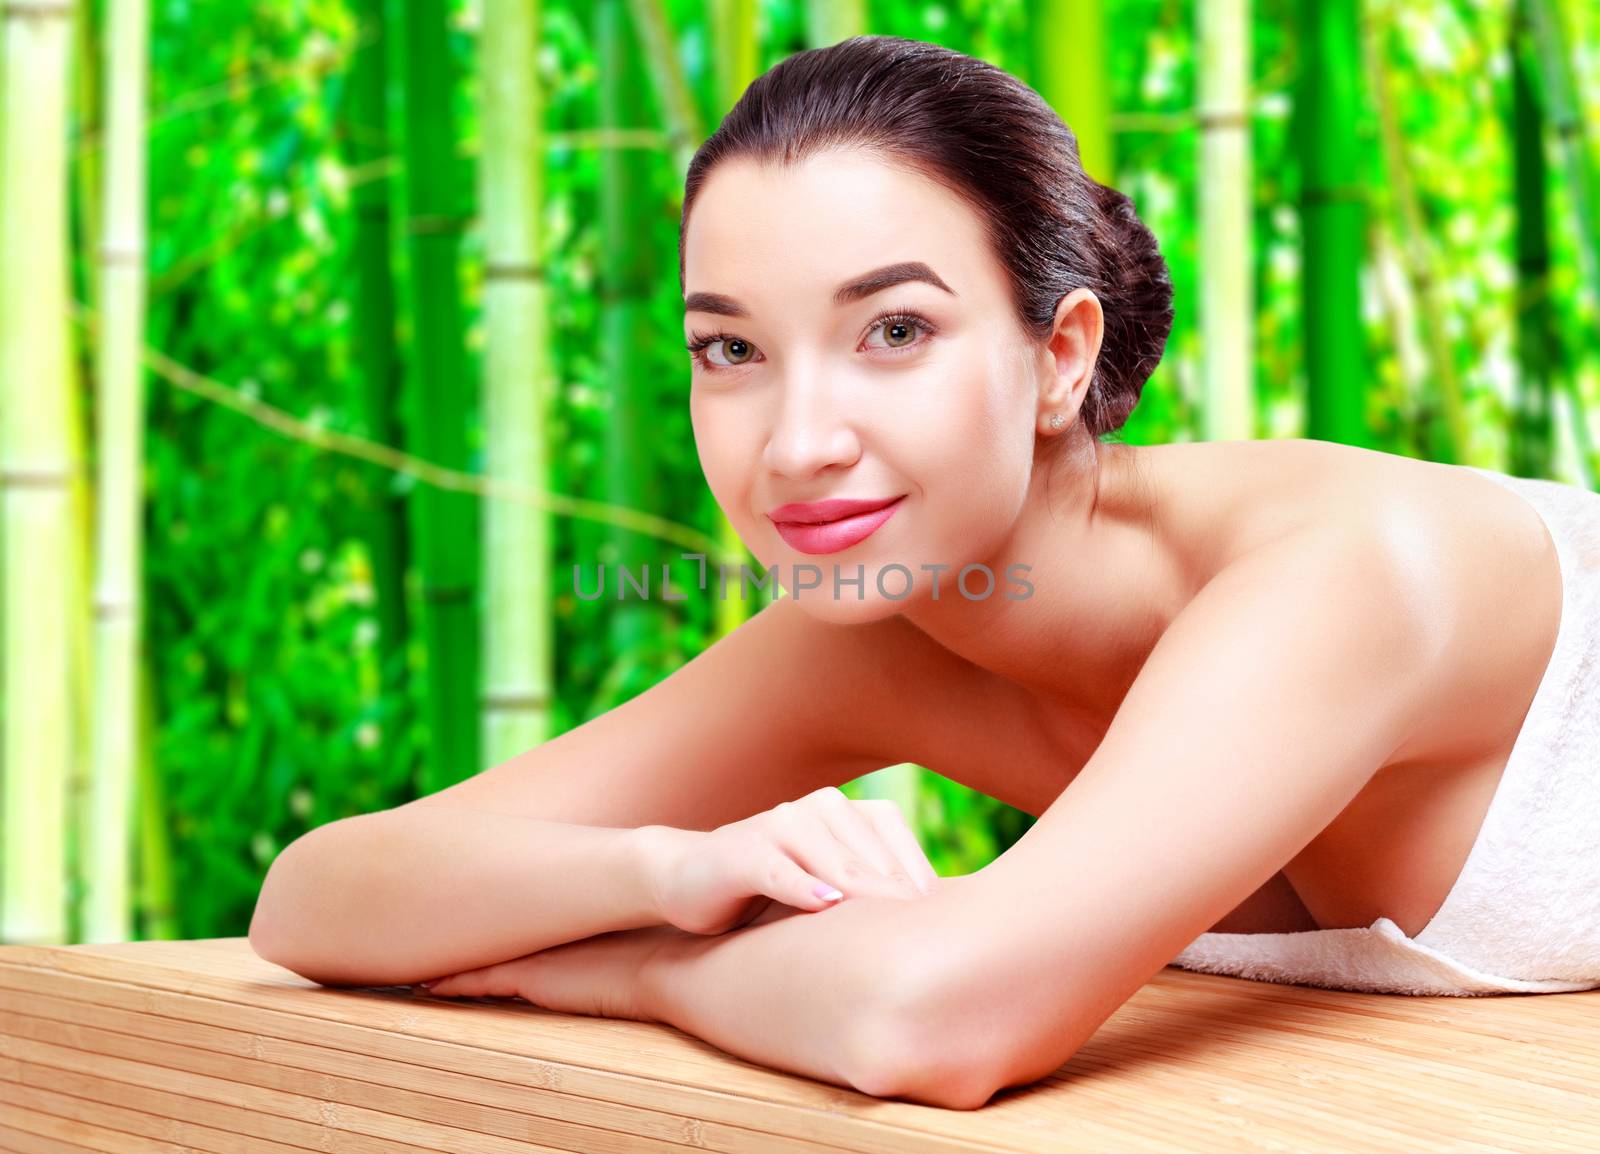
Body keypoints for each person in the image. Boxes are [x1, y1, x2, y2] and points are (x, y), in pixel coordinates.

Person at [249, 34, 1600, 1110]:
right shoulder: (873, 623)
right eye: (731, 349)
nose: (798, 443)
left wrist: (642, 968)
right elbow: (320, 895)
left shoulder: (1339, 576)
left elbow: (933, 1017)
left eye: (893, 329)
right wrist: (674, 870)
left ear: (1061, 355)